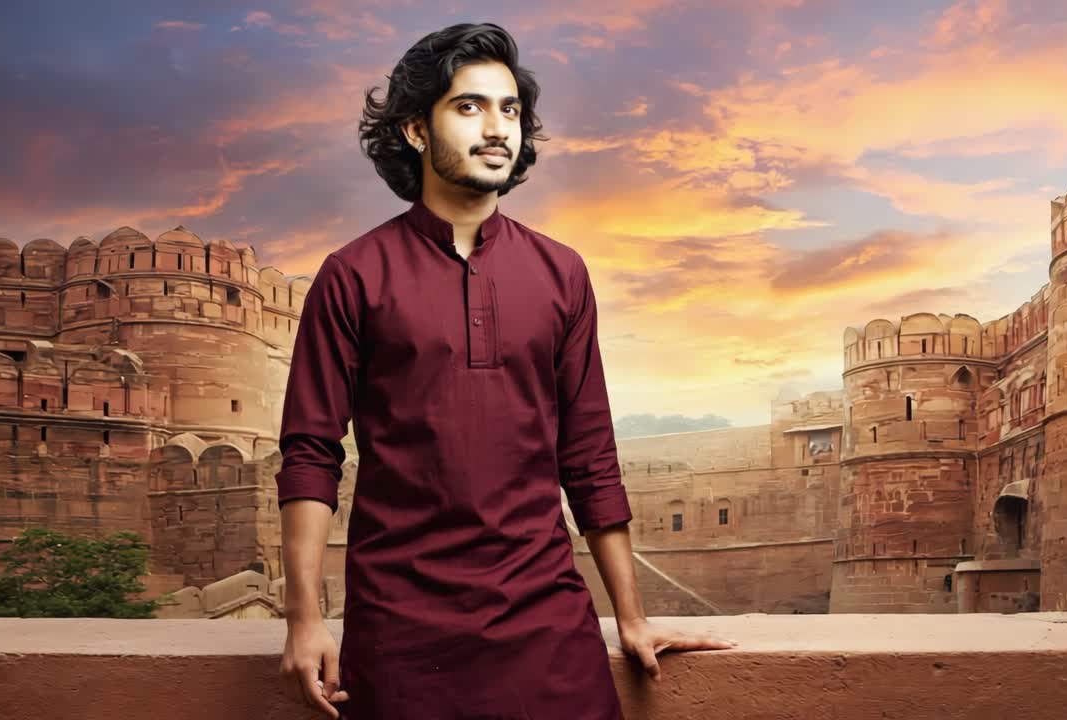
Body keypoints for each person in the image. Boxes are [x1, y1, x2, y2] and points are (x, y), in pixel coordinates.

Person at [275, 22, 736, 719]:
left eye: (510, 109)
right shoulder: (354, 277)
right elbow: (310, 454)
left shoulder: (560, 273)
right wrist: (303, 621)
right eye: (469, 106)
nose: (498, 128)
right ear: (415, 130)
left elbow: (589, 457)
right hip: (402, 633)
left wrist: (631, 618)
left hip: (546, 627)